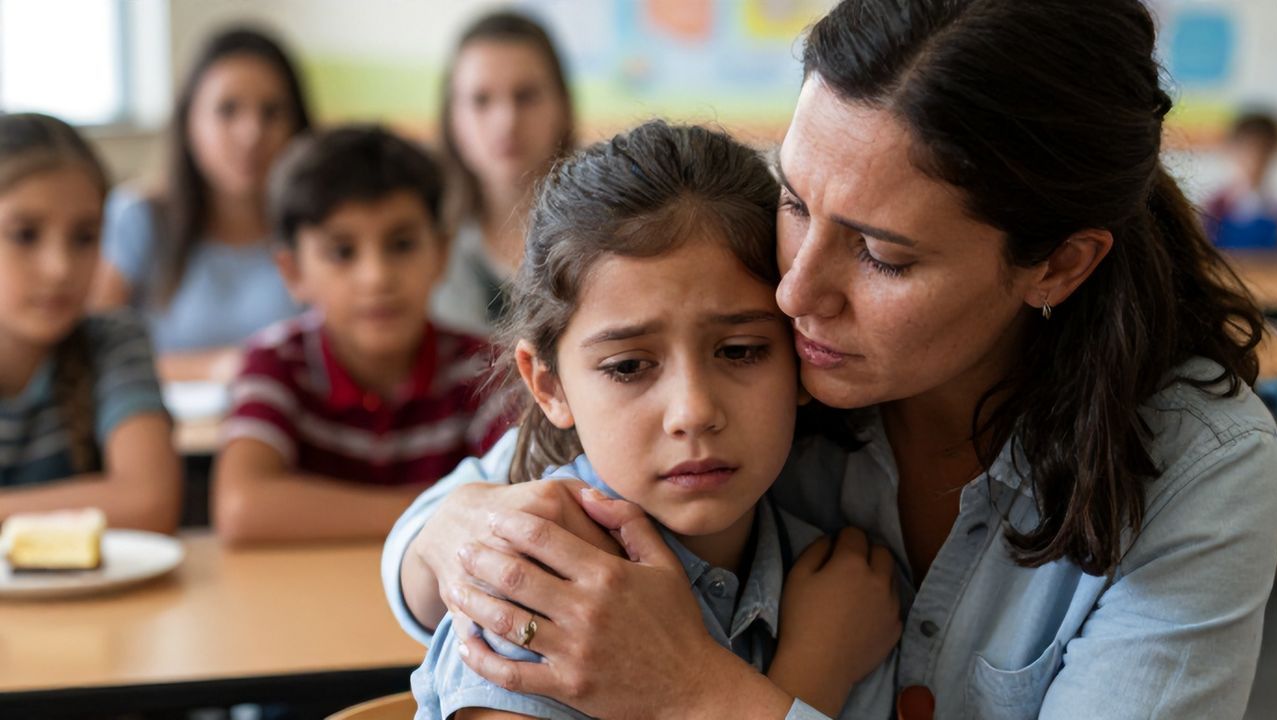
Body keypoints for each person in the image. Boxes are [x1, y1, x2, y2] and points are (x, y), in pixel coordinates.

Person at [384, 1, 1277, 718]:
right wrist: (472, 537)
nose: (793, 291)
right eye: (796, 202)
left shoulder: (1199, 466)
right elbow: (464, 518)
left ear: (1057, 265)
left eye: (883, 256)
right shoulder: (758, 365)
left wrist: (694, 690)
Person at [414, 121, 901, 720]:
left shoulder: (841, 584)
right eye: (628, 366)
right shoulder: (534, 584)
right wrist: (813, 674)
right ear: (548, 384)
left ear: (802, 352)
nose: (693, 411)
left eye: (741, 351)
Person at [212, 126, 510, 546]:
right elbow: (241, 507)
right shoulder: (276, 362)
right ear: (293, 272)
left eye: (401, 244)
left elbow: (518, 495)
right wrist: (441, 510)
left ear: (441, 254)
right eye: (343, 252)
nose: (376, 277)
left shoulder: (484, 366)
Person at [90, 27, 310, 381]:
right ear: (189, 121)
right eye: (227, 110)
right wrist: (217, 367)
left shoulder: (316, 227)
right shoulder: (139, 217)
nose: (251, 133)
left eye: (271, 113)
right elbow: (91, 354)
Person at [0, 114, 179, 532]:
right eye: (25, 235)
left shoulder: (114, 342)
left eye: (84, 237)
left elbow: (149, 502)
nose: (60, 268)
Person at [430, 10, 575, 337]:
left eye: (526, 96)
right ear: (452, 116)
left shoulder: (605, 234)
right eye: (481, 100)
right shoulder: (423, 237)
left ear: (562, 106)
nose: (506, 121)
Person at [1204, 111, 1277, 251]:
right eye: (1248, 149)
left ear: (1272, 151)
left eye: (1262, 150)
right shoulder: (1216, 208)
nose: (1255, 158)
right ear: (1233, 150)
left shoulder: (1275, 211)